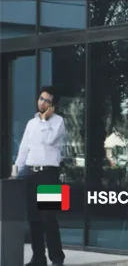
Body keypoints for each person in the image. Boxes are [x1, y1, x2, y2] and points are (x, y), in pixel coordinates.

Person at [12, 86, 66, 266]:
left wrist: (44, 120)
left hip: (49, 174)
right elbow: (24, 149)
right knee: (33, 218)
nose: (42, 103)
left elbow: (49, 140)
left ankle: (57, 257)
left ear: (53, 106)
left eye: (47, 101)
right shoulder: (31, 123)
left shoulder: (58, 122)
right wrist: (16, 171)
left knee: (49, 218)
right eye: (41, 99)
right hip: (30, 173)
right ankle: (38, 257)